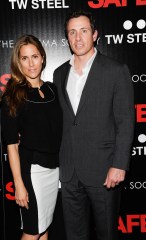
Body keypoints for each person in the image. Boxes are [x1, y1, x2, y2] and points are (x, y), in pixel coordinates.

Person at [53, 10, 134, 240]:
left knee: (107, 234)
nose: (78, 38)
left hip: (104, 170)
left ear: (95, 34)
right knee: (75, 235)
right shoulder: (59, 74)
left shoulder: (116, 71)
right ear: (67, 38)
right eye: (72, 32)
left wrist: (119, 164)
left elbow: (126, 121)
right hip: (69, 172)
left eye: (84, 31)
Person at [0, 35, 62, 240]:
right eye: (24, 58)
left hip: (53, 170)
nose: (31, 63)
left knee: (43, 228)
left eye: (34, 56)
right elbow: (11, 145)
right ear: (19, 62)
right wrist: (18, 183)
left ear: (43, 57)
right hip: (32, 172)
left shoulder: (52, 89)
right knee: (31, 231)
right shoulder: (14, 95)